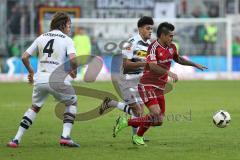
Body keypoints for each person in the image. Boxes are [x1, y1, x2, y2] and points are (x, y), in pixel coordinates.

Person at [112, 22, 207, 146]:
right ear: (162, 35)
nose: (172, 38)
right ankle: (136, 135)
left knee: (158, 121)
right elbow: (152, 66)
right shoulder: (153, 47)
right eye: (170, 36)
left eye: (173, 36)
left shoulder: (172, 47)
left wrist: (194, 64)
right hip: (147, 85)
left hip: (159, 88)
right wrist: (169, 72)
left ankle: (130, 128)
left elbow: (178, 59)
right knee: (155, 113)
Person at [7, 12, 79, 148]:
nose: (69, 28)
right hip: (57, 79)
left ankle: (16, 139)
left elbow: (24, 57)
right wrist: (72, 70)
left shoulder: (41, 37)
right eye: (69, 25)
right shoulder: (67, 39)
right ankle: (65, 137)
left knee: (34, 107)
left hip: (40, 80)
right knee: (72, 102)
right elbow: (74, 60)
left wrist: (31, 72)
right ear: (63, 25)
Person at [99, 17, 154, 139]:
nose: (150, 31)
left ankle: (135, 136)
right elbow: (126, 65)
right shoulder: (130, 43)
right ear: (140, 29)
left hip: (139, 81)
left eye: (151, 28)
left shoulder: (150, 45)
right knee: (138, 111)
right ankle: (136, 136)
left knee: (140, 111)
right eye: (147, 28)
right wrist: (145, 64)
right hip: (126, 79)